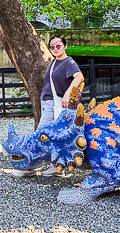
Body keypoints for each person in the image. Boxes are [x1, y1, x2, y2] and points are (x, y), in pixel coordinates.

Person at [12, 34, 85, 178]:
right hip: (49, 104)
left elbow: (79, 77)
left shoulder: (68, 63)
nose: (55, 48)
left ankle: (28, 167)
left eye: (58, 46)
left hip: (55, 104)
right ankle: (56, 167)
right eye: (52, 46)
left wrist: (68, 93)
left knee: (39, 136)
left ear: (65, 46)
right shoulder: (55, 62)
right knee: (51, 137)